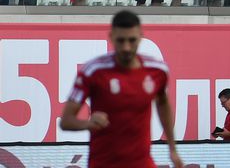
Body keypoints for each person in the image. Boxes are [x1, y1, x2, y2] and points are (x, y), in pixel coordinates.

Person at [61, 10, 184, 168]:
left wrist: (172, 149)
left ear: (140, 37)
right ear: (111, 37)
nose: (126, 47)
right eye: (121, 40)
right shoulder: (92, 71)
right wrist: (88, 123)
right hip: (103, 164)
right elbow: (66, 121)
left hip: (142, 164)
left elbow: (162, 103)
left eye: (132, 40)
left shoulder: (157, 71)